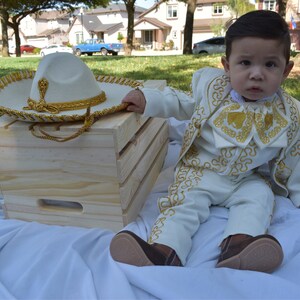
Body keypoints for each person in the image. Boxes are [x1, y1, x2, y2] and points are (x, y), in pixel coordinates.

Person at [110, 10, 300, 273]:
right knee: (184, 203)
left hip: (247, 177)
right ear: (226, 65)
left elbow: (294, 157)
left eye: (270, 65)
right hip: (202, 171)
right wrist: (149, 101)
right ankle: (164, 250)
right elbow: (180, 102)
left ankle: (240, 244)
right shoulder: (213, 89)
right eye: (245, 63)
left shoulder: (289, 112)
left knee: (259, 198)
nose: (257, 74)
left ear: (286, 69)